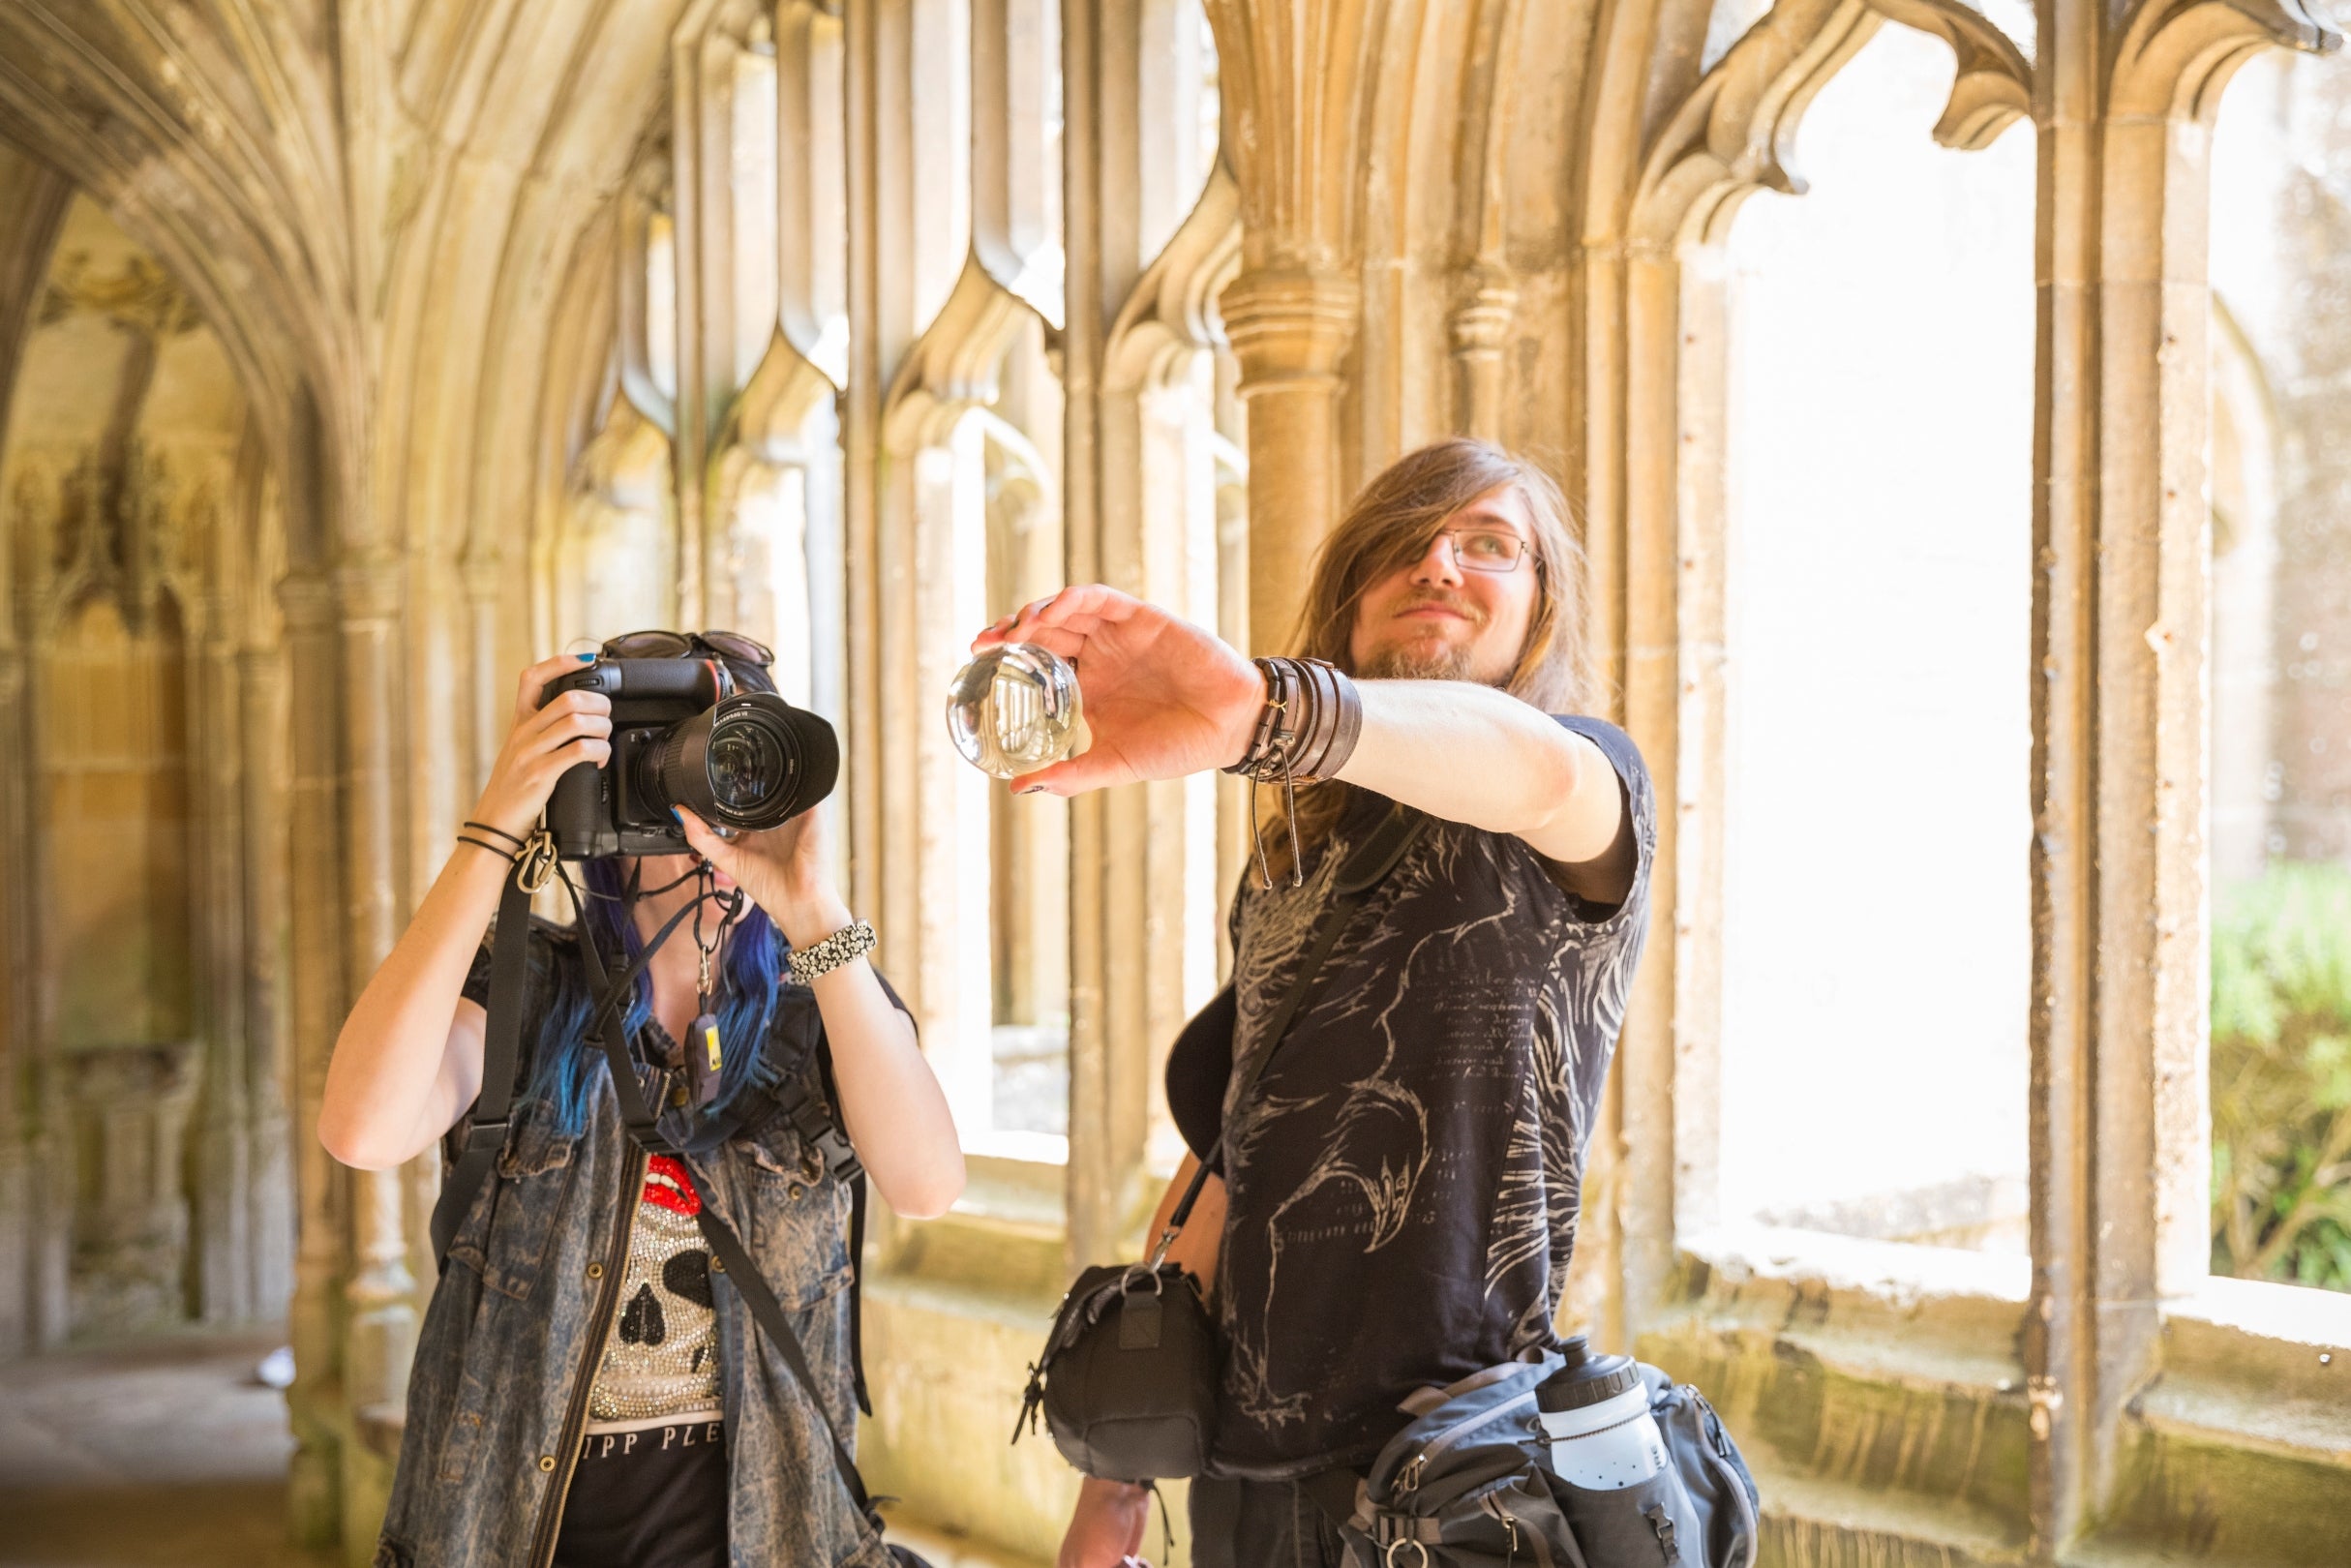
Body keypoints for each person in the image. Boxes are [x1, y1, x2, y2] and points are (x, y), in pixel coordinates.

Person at [982, 439, 1657, 1568]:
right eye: (1396, 548)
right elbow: (1229, 1156)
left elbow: (1532, 772)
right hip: (1244, 1470)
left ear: (1539, 609)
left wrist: (1260, 713)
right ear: (1345, 606)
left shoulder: (1576, 785)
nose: (1436, 564)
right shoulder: (1292, 864)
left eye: (1487, 546)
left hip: (1453, 1470)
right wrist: (1114, 1483)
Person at [318, 633, 963, 1568]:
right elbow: (362, 1130)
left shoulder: (817, 1001)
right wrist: (498, 830)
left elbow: (926, 1185)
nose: (712, 812)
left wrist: (814, 911)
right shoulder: (528, 992)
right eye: (675, 772)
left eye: (740, 767)